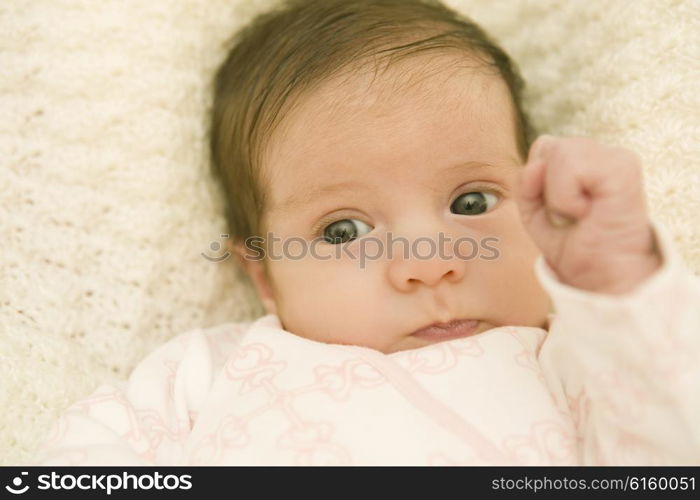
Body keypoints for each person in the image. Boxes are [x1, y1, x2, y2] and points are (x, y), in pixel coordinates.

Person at [30, 0, 700, 465]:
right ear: (264, 275)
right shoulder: (209, 373)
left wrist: (619, 285)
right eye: (344, 229)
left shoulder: (578, 364)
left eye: (470, 201)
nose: (430, 263)